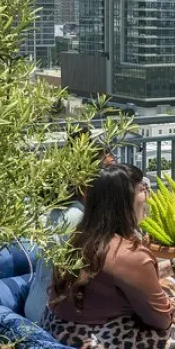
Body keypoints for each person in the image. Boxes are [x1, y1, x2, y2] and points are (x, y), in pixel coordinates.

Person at [43, 164, 175, 349]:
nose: (147, 195)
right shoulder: (130, 254)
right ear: (124, 202)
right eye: (142, 189)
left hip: (62, 332)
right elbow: (161, 320)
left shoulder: (83, 238)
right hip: (101, 346)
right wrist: (169, 296)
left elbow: (117, 278)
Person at [24, 128, 115, 324]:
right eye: (108, 170)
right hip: (50, 317)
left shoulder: (59, 210)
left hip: (35, 306)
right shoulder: (78, 218)